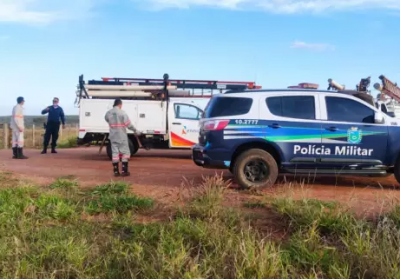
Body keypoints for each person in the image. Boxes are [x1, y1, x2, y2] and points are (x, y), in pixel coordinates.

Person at [104, 98, 140, 177]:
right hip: (122, 136)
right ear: (120, 104)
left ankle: (116, 171)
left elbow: (106, 119)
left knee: (115, 153)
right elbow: (129, 125)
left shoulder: (108, 113)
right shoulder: (122, 113)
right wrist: (136, 131)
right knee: (125, 153)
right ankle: (124, 171)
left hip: (113, 136)